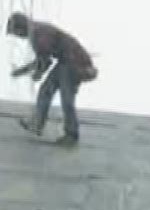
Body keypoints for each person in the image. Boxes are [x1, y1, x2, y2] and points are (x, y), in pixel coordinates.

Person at [7, 12, 97, 147]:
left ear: (21, 29)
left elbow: (44, 60)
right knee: (46, 91)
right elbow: (42, 60)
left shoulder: (38, 32)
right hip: (65, 63)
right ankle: (37, 124)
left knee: (66, 98)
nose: (19, 37)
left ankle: (71, 134)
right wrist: (21, 71)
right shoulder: (38, 30)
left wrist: (37, 73)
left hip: (75, 64)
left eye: (16, 33)